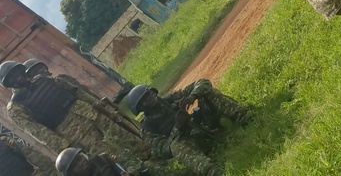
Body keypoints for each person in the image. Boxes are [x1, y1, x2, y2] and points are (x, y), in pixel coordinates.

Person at [0, 61, 151, 161]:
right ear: (8, 83)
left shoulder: (45, 79)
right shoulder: (16, 107)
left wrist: (97, 105)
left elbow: (76, 92)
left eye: (17, 71)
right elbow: (39, 132)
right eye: (11, 77)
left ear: (22, 69)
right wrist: (65, 147)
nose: (17, 76)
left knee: (127, 138)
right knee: (112, 157)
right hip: (74, 134)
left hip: (91, 113)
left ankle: (155, 160)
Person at [124, 84, 227, 176]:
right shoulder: (147, 128)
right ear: (141, 107)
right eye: (145, 99)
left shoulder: (171, 99)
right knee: (175, 146)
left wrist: (191, 97)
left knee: (204, 92)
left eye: (149, 94)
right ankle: (214, 172)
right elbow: (165, 150)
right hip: (191, 146)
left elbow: (203, 82)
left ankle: (242, 117)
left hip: (205, 127)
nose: (150, 98)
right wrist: (177, 127)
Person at [54, 146, 172, 176]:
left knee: (146, 165)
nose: (81, 163)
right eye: (75, 165)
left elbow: (128, 165)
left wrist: (130, 173)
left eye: (79, 158)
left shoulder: (102, 158)